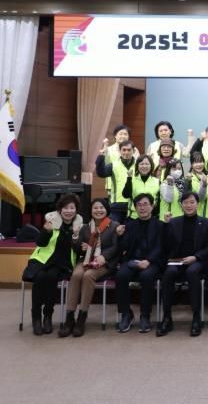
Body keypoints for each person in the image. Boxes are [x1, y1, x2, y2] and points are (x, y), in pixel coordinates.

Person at [59, 198, 119, 338]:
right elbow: (77, 248)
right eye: (95, 208)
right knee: (76, 275)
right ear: (91, 211)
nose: (98, 210)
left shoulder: (114, 226)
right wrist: (77, 238)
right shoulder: (85, 227)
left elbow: (116, 247)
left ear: (106, 209)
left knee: (88, 275)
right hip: (86, 260)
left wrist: (103, 256)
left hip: (104, 263)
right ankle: (69, 317)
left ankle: (82, 317)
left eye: (101, 207)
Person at [158, 192, 208, 337]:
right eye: (185, 202)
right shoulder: (174, 222)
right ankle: (167, 317)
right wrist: (166, 225)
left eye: (192, 202)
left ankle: (196, 318)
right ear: (181, 205)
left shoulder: (207, 223)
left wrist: (195, 257)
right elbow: (165, 245)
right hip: (177, 260)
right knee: (169, 273)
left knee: (192, 272)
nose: (188, 205)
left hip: (197, 261)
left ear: (198, 204)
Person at [24, 194, 82, 335]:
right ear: (60, 210)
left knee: (51, 277)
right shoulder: (51, 222)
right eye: (65, 208)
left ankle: (48, 316)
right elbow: (40, 243)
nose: (69, 211)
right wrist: (46, 231)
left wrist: (76, 236)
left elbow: (79, 250)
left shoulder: (79, 226)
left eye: (72, 208)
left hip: (63, 264)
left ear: (76, 210)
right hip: (42, 260)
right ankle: (36, 317)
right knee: (39, 277)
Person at [115, 193, 164, 333]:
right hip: (133, 261)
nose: (142, 208)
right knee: (121, 275)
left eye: (145, 204)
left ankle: (145, 315)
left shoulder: (160, 225)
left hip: (152, 262)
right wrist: (119, 236)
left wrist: (148, 260)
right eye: (139, 205)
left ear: (152, 206)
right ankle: (126, 314)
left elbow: (161, 247)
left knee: (146, 276)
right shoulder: (130, 225)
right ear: (135, 208)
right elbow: (123, 248)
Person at [95, 139, 136, 223]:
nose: (126, 152)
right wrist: (101, 157)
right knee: (112, 229)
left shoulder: (139, 165)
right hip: (117, 205)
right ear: (120, 151)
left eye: (129, 150)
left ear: (133, 151)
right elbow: (101, 173)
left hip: (134, 205)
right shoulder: (114, 165)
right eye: (124, 150)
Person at [102, 125, 140, 201]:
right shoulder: (109, 149)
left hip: (131, 182)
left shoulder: (134, 150)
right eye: (120, 134)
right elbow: (105, 166)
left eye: (125, 134)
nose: (123, 136)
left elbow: (137, 165)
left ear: (128, 136)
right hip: (113, 183)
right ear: (115, 136)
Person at [122, 154, 160, 220]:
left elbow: (159, 201)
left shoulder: (157, 181)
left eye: (147, 164)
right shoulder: (132, 180)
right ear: (137, 166)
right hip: (133, 217)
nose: (144, 166)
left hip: (151, 218)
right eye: (141, 164)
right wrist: (129, 178)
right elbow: (126, 195)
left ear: (151, 166)